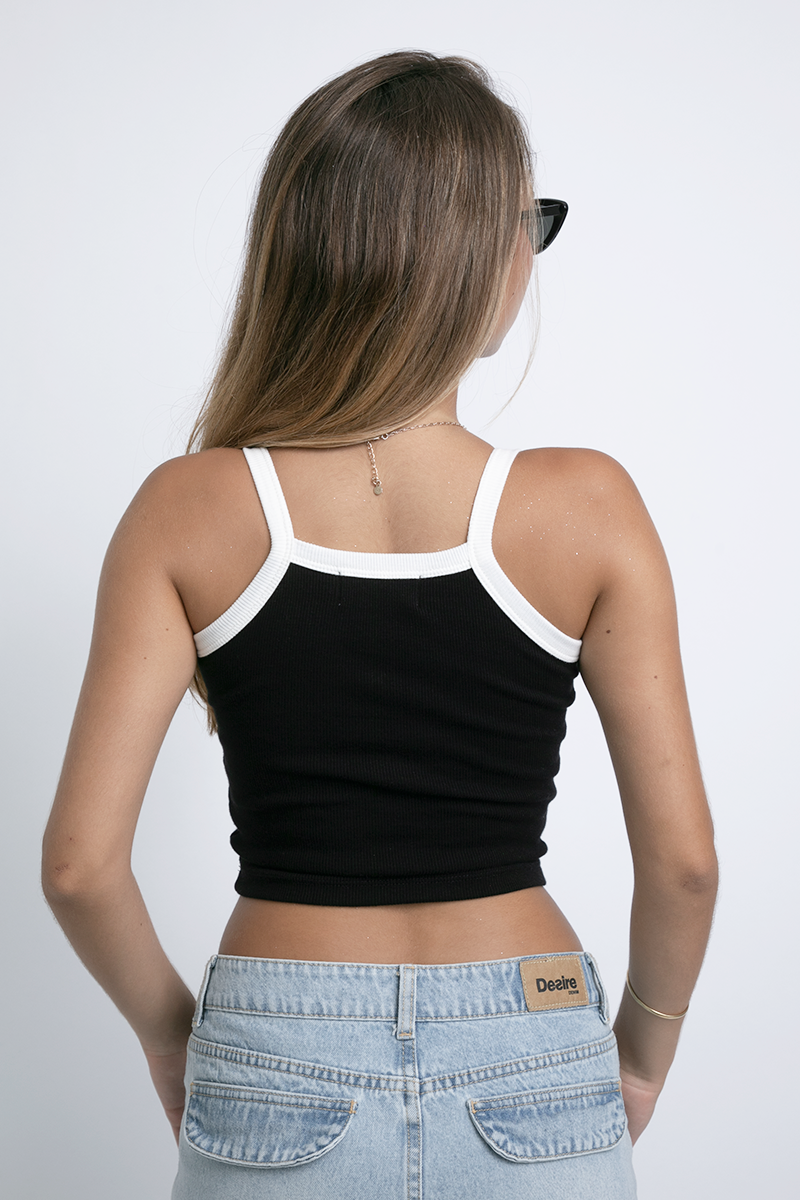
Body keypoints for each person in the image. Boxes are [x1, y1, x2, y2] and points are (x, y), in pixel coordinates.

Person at [42, 50, 717, 1199]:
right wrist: (642, 1051)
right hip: (532, 1024)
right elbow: (684, 866)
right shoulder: (586, 507)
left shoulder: (187, 510)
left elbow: (78, 868)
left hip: (274, 1038)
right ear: (467, 252)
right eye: (526, 222)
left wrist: (173, 1041)